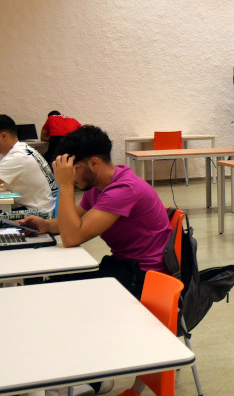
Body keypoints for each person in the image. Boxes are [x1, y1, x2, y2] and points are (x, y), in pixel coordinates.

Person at [21, 125, 171, 298]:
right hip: (123, 265)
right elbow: (72, 222)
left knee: (53, 293)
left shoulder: (124, 189)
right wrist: (46, 225)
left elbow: (71, 238)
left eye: (72, 169)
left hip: (144, 278)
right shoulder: (97, 186)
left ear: (94, 163)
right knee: (53, 284)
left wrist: (65, 185)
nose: (71, 176)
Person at [0, 113, 57, 214]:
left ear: (3, 136)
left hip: (38, 213)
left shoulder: (16, 157)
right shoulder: (25, 149)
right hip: (46, 207)